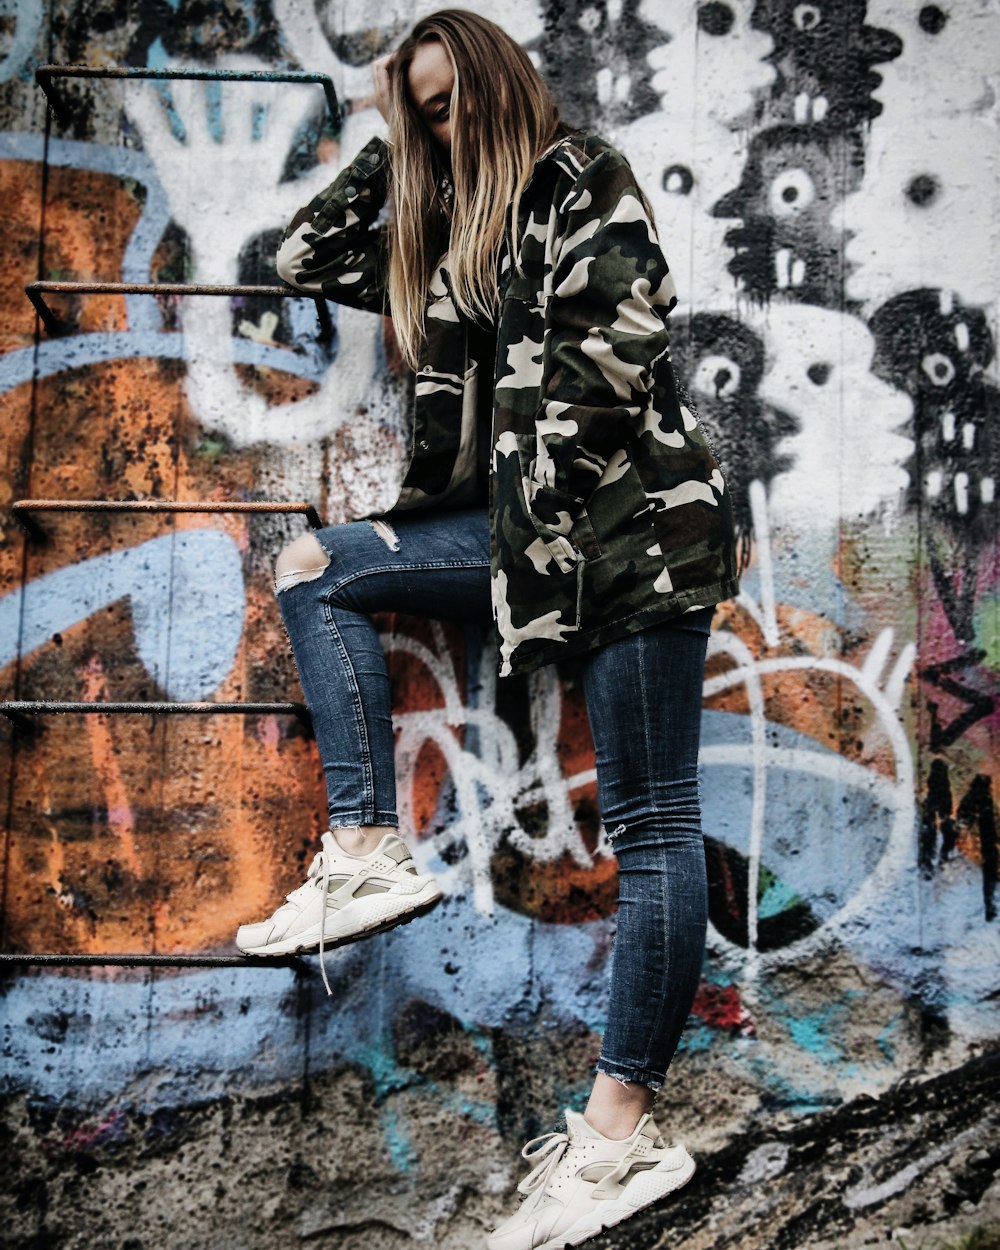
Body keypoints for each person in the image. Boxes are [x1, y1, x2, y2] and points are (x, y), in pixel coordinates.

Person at [237, 10, 739, 1248]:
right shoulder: (442, 228)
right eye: (424, 108)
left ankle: (618, 1136)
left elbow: (619, 353)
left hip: (633, 539)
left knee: (651, 824)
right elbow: (302, 250)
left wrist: (541, 558)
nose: (442, 123)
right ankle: (367, 844)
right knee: (318, 566)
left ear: (505, 87)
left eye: (455, 98)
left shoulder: (583, 180)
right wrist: (395, 145)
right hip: (525, 542)